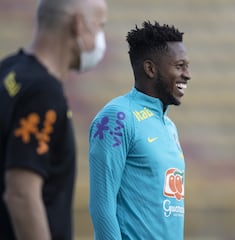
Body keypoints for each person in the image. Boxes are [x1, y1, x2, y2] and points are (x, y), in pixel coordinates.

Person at [0, 0, 107, 239]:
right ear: (79, 25)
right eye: (100, 26)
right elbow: (21, 194)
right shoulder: (44, 92)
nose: (101, 39)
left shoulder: (10, 69)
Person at [88, 21, 191, 239]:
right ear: (150, 69)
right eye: (179, 66)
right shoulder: (117, 117)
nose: (187, 75)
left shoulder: (169, 127)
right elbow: (102, 205)